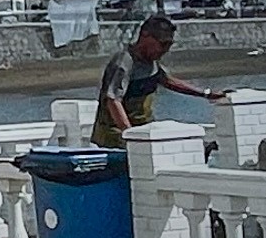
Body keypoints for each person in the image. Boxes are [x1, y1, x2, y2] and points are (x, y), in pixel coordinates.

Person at [96, 14, 230, 149]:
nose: (165, 50)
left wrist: (206, 94)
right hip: (116, 138)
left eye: (169, 44)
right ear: (145, 36)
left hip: (144, 130)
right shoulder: (124, 62)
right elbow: (113, 101)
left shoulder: (150, 62)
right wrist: (130, 135)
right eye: (162, 44)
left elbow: (167, 81)